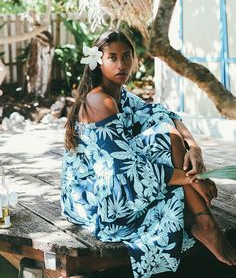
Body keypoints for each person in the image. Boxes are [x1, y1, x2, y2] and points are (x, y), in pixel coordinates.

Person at [61, 30, 236, 278]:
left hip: (119, 180)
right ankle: (205, 223)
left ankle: (202, 222)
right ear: (99, 61)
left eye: (127, 56)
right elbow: (122, 169)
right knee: (166, 141)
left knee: (165, 129)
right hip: (91, 198)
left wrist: (194, 147)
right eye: (112, 57)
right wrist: (193, 179)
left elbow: (162, 114)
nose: (121, 65)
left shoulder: (121, 94)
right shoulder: (99, 100)